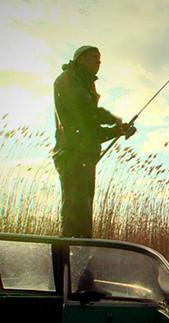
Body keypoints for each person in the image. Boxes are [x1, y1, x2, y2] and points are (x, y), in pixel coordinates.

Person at [52, 45, 136, 238]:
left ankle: (78, 260)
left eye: (100, 58)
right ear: (80, 59)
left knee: (83, 216)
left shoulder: (85, 83)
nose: (98, 61)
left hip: (83, 157)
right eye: (93, 57)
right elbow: (87, 112)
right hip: (72, 155)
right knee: (76, 215)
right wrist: (114, 120)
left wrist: (117, 130)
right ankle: (70, 261)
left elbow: (90, 131)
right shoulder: (68, 80)